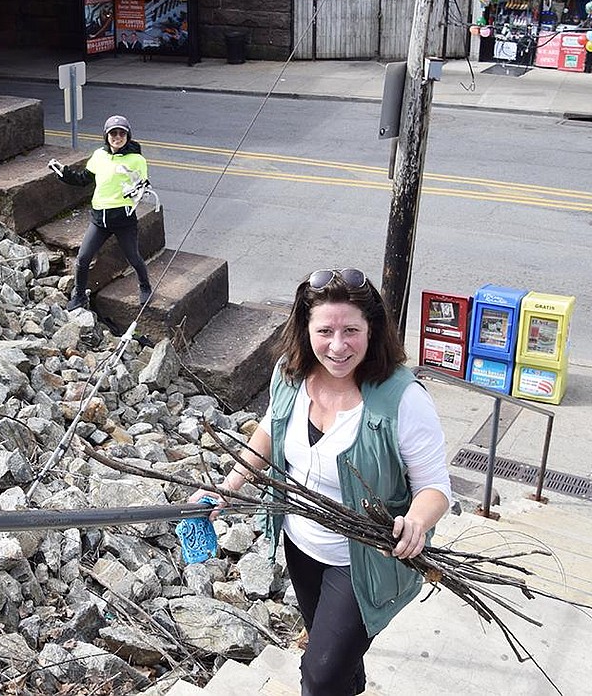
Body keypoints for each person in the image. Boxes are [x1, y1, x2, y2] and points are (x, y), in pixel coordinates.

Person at [189, 267, 451, 696]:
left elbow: (435, 487)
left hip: (364, 559)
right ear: (305, 328)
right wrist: (228, 485)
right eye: (325, 330)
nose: (338, 345)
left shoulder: (403, 398)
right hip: (302, 544)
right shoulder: (289, 375)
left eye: (351, 330)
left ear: (373, 330)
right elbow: (271, 431)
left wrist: (417, 522)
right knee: (336, 662)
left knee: (320, 675)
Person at [50, 115, 153, 311]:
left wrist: (140, 187)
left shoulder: (137, 159)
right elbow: (83, 179)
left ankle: (145, 286)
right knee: (82, 258)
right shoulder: (99, 155)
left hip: (123, 220)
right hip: (99, 219)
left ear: (128, 136)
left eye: (122, 133)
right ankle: (79, 295)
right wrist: (63, 173)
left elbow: (142, 185)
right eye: (113, 133)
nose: (117, 137)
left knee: (134, 257)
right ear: (106, 136)